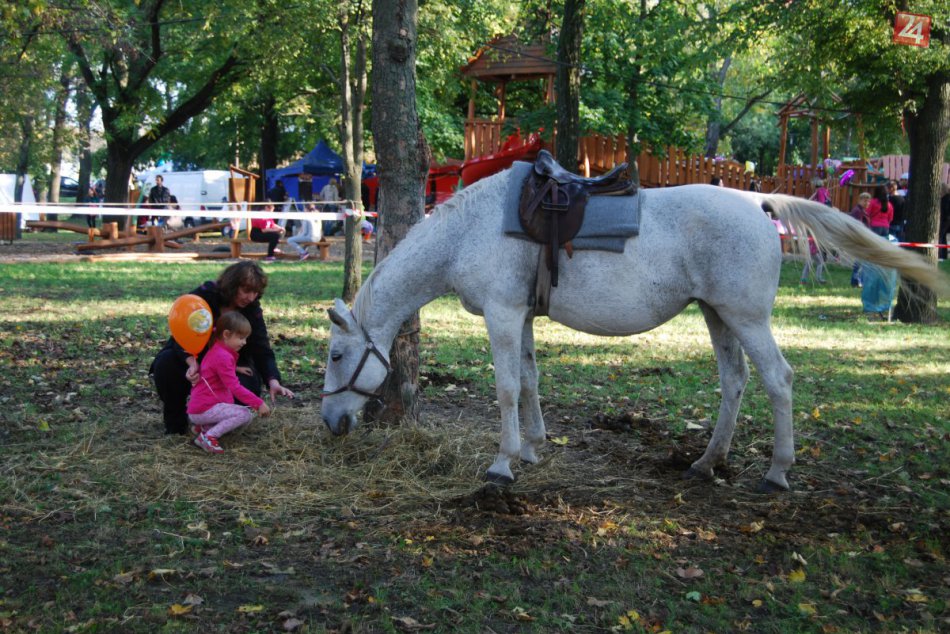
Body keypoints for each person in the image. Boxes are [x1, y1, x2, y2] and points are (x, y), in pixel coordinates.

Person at [150, 261, 294, 435]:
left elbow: (261, 348)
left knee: (245, 390)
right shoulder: (205, 296)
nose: (251, 297)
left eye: (255, 292)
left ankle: (210, 426)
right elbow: (181, 334)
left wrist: (273, 380)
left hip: (231, 363)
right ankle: (176, 424)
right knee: (166, 365)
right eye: (246, 290)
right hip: (194, 356)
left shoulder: (251, 309)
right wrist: (191, 363)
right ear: (233, 285)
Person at [187, 311, 271, 454]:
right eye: (241, 338)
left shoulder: (217, 349)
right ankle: (208, 437)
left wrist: (236, 368)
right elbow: (235, 387)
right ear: (226, 334)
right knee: (244, 414)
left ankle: (203, 428)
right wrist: (258, 403)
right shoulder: (223, 356)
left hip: (200, 406)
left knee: (241, 414)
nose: (244, 342)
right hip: (204, 408)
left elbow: (213, 367)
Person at [849, 192, 871, 287]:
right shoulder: (857, 211)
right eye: (865, 201)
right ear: (859, 200)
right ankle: (855, 281)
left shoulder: (863, 211)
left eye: (868, 201)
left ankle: (858, 280)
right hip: (859, 238)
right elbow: (857, 226)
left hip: (863, 238)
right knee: (859, 261)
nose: (867, 203)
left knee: (861, 261)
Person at [939, 183, 950, 261]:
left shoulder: (946, 199)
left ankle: (942, 255)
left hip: (945, 221)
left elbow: (946, 210)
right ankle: (943, 255)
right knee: (943, 238)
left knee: (941, 237)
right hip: (946, 220)